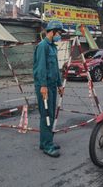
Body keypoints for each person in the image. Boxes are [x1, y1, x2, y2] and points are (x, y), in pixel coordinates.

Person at [33, 21, 65, 158]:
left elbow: (55, 69)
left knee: (50, 114)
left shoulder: (53, 47)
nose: (60, 35)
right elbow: (41, 68)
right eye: (59, 33)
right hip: (44, 86)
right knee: (46, 115)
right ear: (52, 31)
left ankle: (45, 141)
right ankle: (47, 145)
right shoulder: (42, 46)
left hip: (52, 86)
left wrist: (59, 84)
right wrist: (43, 86)